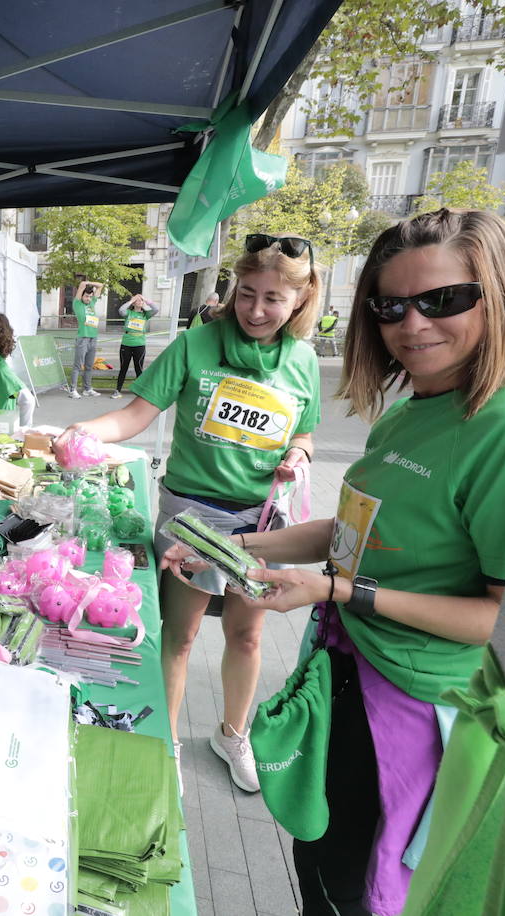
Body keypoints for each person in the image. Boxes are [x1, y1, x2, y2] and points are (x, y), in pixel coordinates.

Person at [166, 209, 505, 916]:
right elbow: (349, 532)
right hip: (349, 672)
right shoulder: (417, 404)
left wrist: (341, 591)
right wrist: (228, 545)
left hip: (410, 709)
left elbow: (502, 618)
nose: (412, 325)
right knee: (319, 861)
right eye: (390, 305)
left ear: (498, 292)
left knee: (351, 886)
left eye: (443, 300)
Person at [68, 233, 323, 794]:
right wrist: (82, 431)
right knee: (177, 638)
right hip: (191, 520)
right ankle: (166, 742)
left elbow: (303, 428)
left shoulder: (304, 361)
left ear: (299, 301)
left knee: (247, 637)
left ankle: (234, 734)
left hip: (260, 526)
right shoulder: (194, 345)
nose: (256, 310)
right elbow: (136, 414)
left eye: (273, 299)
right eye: (246, 293)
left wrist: (299, 453)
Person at [113, 293, 158, 398]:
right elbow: (121, 310)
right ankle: (117, 390)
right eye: (137, 300)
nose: (140, 302)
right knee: (123, 367)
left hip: (139, 344)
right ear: (133, 302)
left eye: (141, 300)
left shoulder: (145, 314)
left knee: (139, 368)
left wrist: (145, 299)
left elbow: (156, 309)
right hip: (126, 344)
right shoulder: (128, 313)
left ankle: (140, 392)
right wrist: (131, 301)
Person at [68, 279, 105, 398]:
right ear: (82, 295)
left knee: (89, 366)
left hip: (93, 338)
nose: (88, 298)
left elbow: (101, 285)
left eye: (90, 296)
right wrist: (87, 284)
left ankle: (87, 389)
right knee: (78, 365)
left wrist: (92, 287)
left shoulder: (92, 303)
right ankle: (72, 389)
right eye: (86, 296)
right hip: (83, 338)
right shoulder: (77, 303)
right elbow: (82, 284)